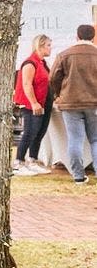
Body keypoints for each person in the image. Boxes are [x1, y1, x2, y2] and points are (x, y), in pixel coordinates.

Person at [49, 24, 97, 184]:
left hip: (70, 103)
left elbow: (53, 78)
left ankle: (78, 175)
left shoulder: (64, 55)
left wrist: (58, 94)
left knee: (74, 139)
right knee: (95, 140)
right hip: (94, 103)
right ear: (93, 36)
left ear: (77, 36)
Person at [12, 34, 53, 175]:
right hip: (31, 105)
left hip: (43, 103)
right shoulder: (30, 63)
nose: (50, 48)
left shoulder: (42, 63)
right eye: (48, 45)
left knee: (39, 132)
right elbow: (26, 84)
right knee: (30, 132)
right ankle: (18, 162)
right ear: (40, 46)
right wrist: (34, 103)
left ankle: (32, 159)